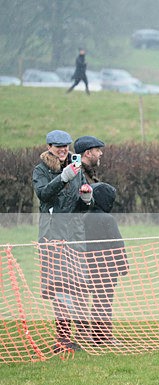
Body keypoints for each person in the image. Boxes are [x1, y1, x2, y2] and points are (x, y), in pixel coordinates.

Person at [32, 130, 91, 354]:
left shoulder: (77, 170)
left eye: (66, 146)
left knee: (79, 288)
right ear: (49, 147)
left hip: (75, 237)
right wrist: (63, 177)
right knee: (59, 289)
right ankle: (63, 339)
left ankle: (82, 335)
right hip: (53, 238)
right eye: (58, 146)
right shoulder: (41, 170)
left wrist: (87, 197)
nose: (63, 149)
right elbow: (43, 194)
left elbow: (81, 206)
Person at [83, 179, 128, 346]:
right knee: (104, 302)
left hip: (88, 267)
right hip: (107, 269)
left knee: (95, 301)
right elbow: (117, 244)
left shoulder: (84, 217)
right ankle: (104, 336)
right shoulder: (108, 219)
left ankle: (95, 335)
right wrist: (123, 266)